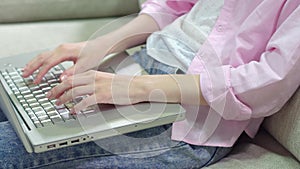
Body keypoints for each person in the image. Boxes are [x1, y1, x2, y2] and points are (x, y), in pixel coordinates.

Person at [1, 0, 299, 168]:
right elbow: (173, 6)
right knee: (14, 95)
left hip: (187, 116)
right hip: (137, 64)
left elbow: (264, 84)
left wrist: (136, 88)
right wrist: (102, 45)